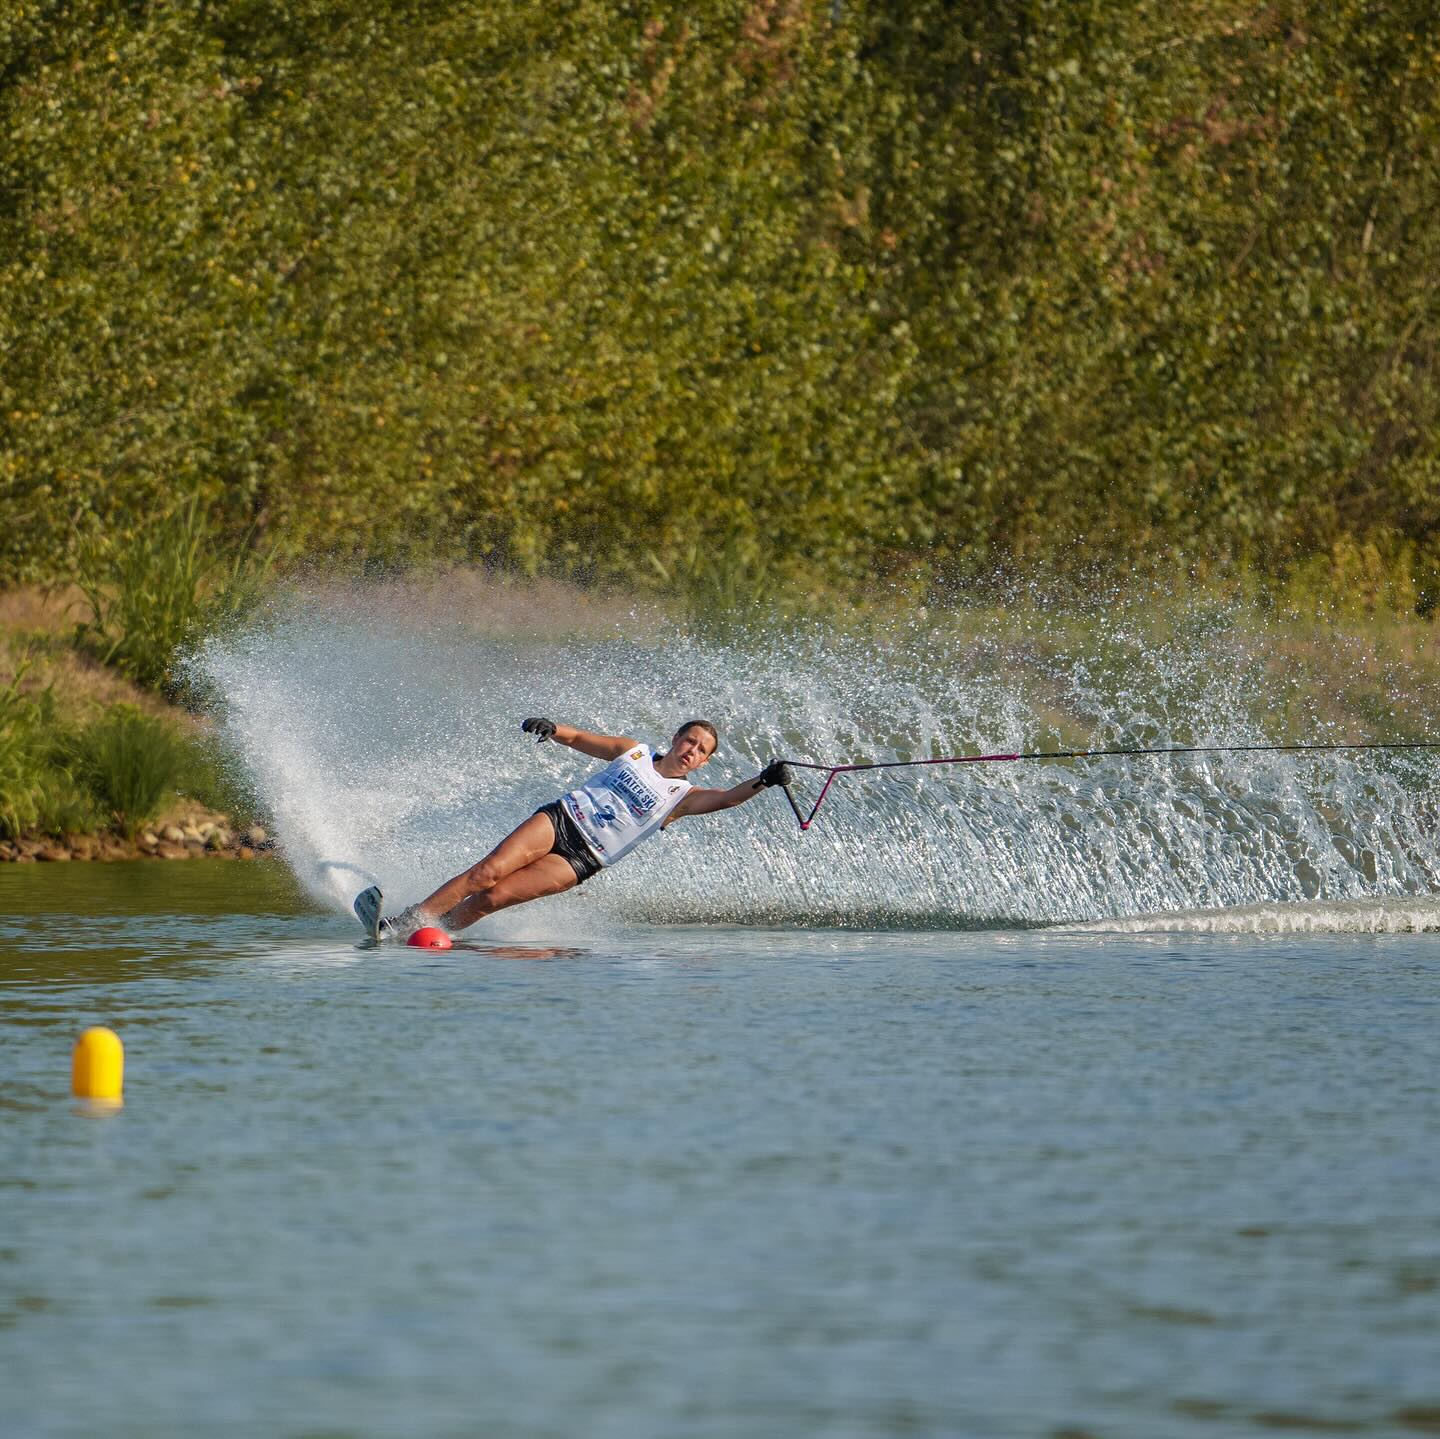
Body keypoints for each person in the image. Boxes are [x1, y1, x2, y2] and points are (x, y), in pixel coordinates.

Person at [354, 717, 790, 939]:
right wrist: (554, 728)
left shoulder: (683, 798)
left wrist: (764, 780)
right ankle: (401, 924)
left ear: (704, 761)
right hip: (562, 819)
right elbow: (583, 740)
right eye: (689, 740)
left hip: (583, 857)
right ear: (676, 739)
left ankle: (436, 932)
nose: (691, 750)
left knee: (492, 898)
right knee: (485, 873)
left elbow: (730, 797)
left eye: (701, 750)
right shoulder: (633, 752)